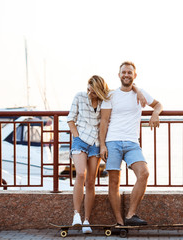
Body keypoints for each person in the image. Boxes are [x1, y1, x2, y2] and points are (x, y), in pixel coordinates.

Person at [67, 75, 146, 234]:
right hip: (80, 141)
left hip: (96, 144)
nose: (91, 93)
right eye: (89, 89)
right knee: (81, 174)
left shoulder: (106, 98)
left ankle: (87, 220)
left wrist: (138, 90)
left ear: (100, 90)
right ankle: (76, 215)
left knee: (90, 182)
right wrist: (76, 136)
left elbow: (127, 86)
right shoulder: (80, 96)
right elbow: (70, 119)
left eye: (94, 91)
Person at [99, 61, 163, 226]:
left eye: (129, 72)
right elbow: (104, 121)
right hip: (112, 142)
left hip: (132, 143)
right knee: (114, 182)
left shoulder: (140, 93)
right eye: (123, 72)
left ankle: (130, 215)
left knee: (144, 173)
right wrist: (102, 145)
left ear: (134, 76)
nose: (126, 75)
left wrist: (155, 113)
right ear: (119, 75)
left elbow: (158, 104)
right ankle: (119, 221)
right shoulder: (110, 96)